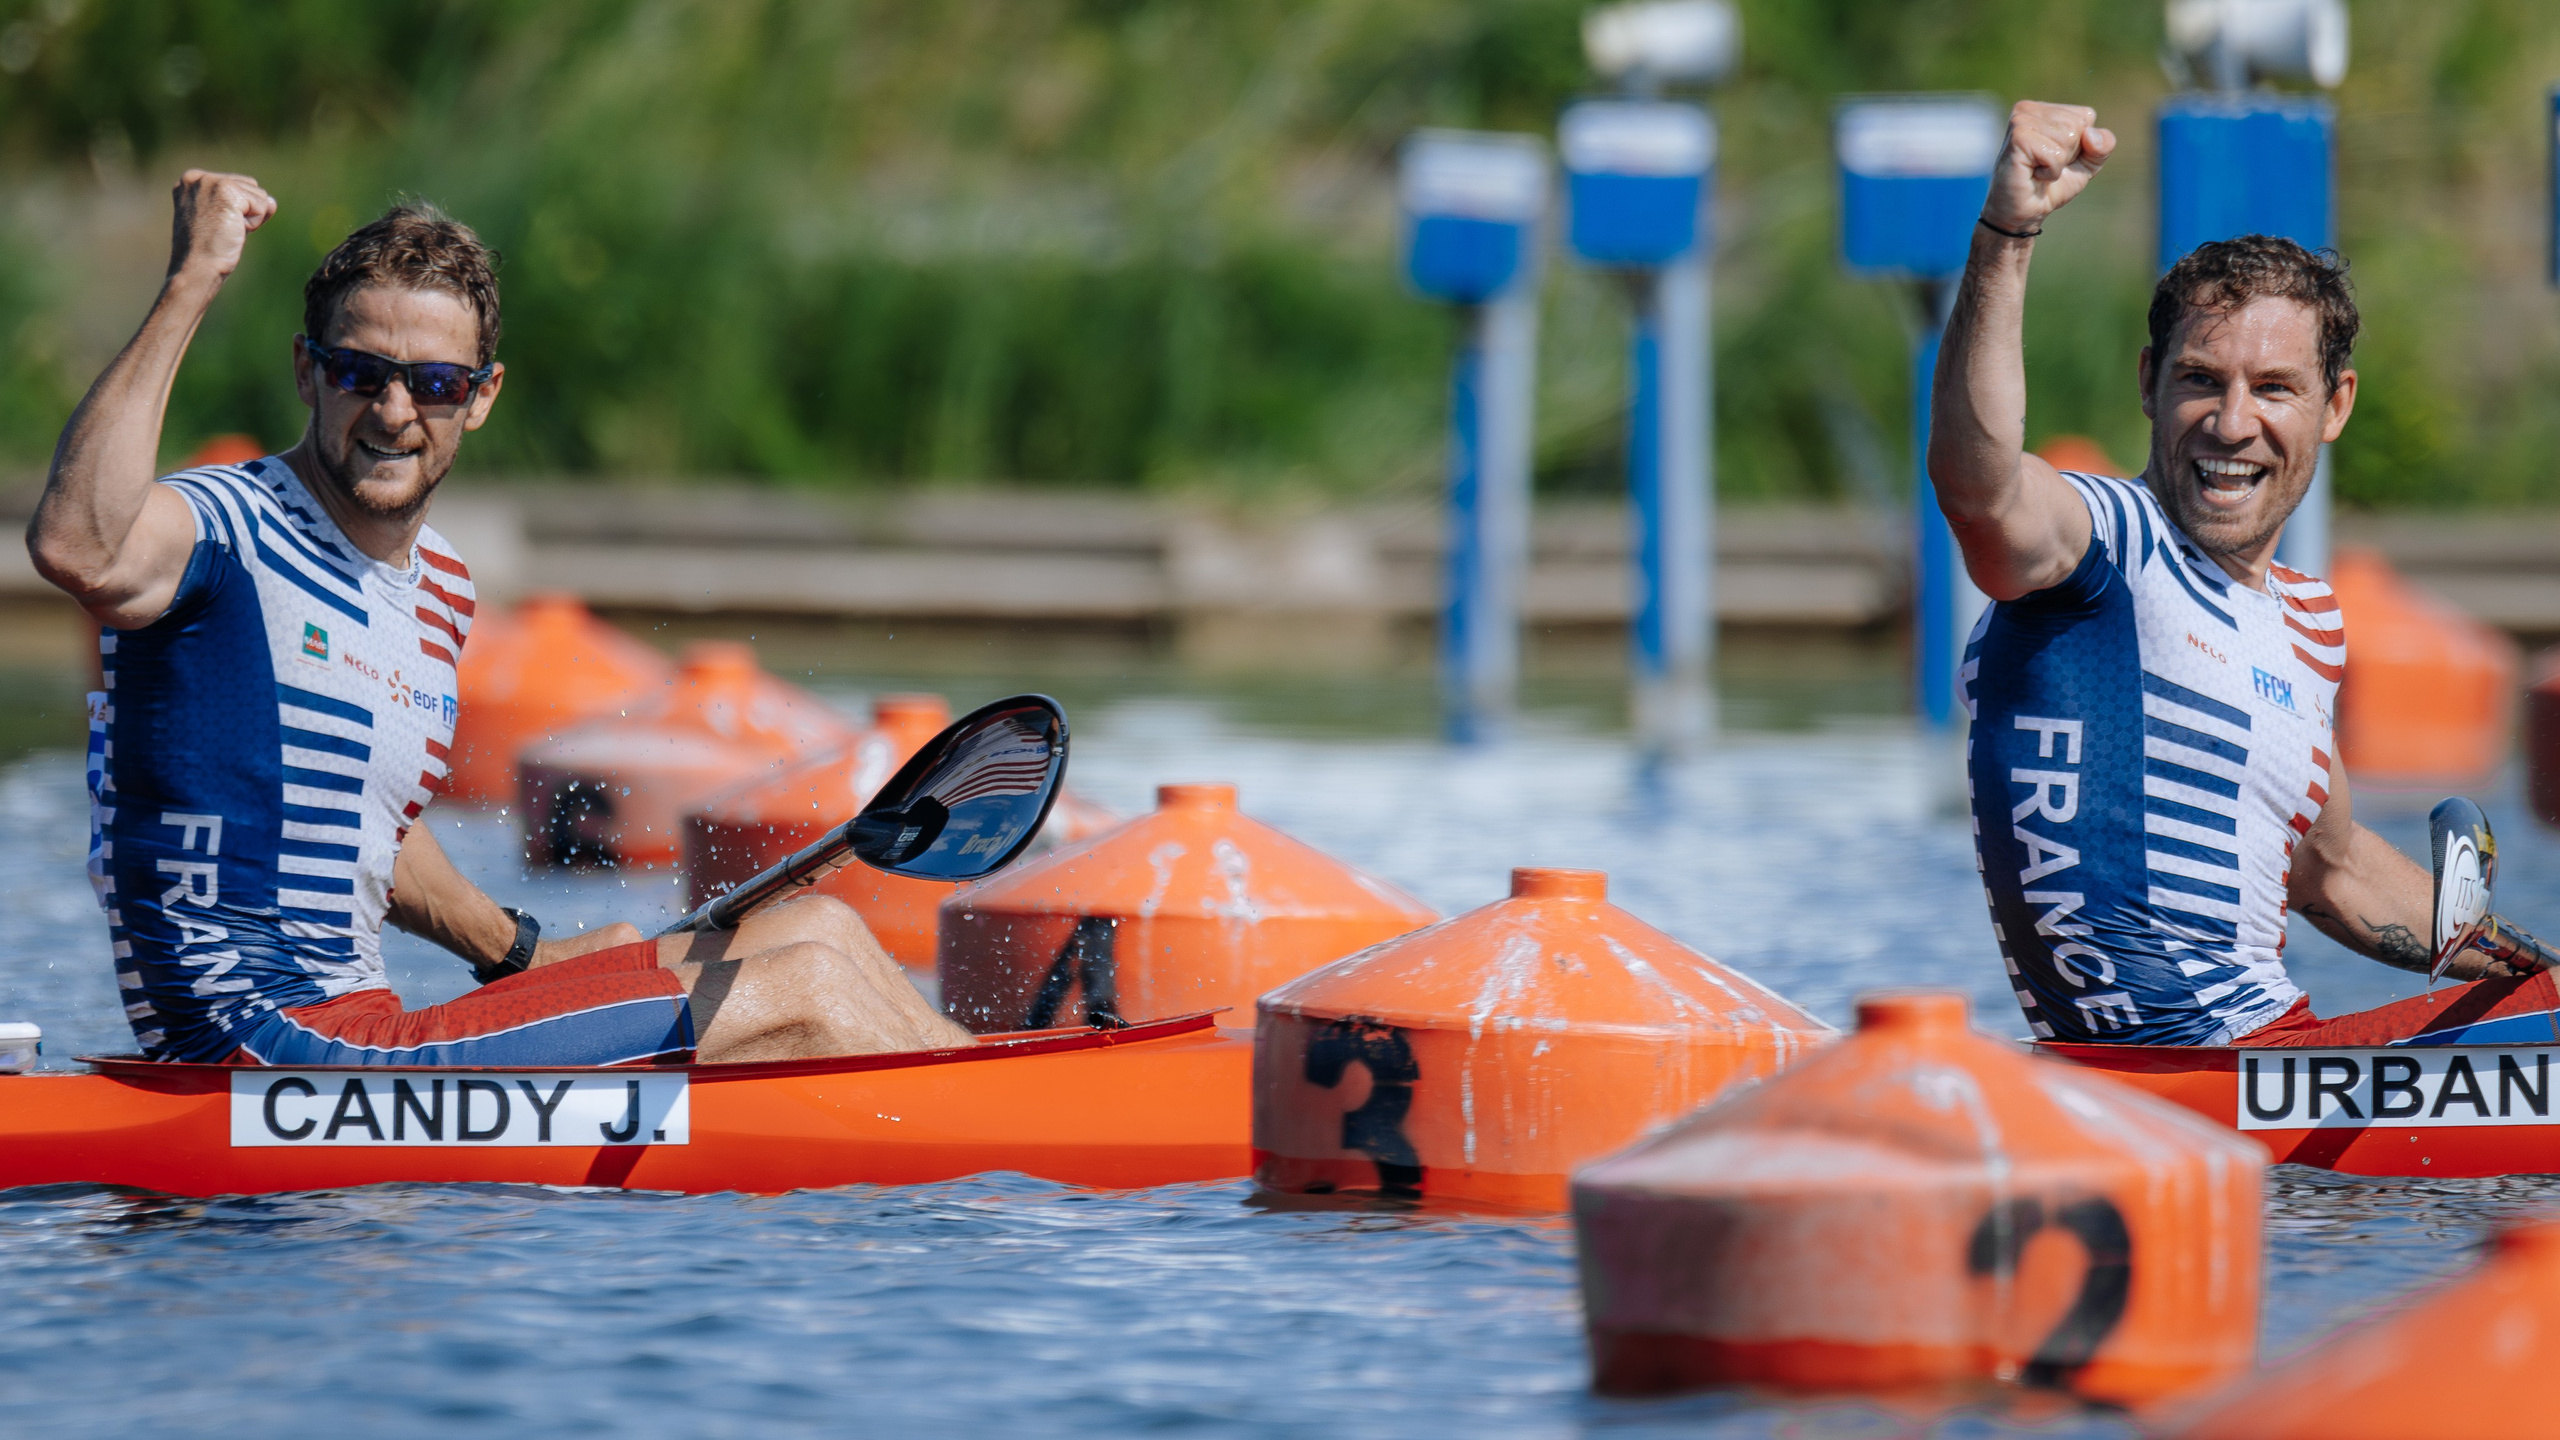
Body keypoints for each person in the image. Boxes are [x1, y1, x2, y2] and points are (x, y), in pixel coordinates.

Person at [27, 170, 969, 1066]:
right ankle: (1027, 1165)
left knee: (818, 928)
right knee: (801, 986)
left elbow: (373, 832)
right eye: (360, 372)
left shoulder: (439, 586)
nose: (395, 411)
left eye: (435, 384)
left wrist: (520, 954)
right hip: (256, 1045)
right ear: (307, 374)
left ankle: (1014, 1103)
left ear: (480, 399)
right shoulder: (224, 531)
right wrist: (192, 282)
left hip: (365, 1025)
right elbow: (80, 546)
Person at [1932, 102, 2553, 1048]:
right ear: (2148, 383)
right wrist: (2010, 233)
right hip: (2161, 1085)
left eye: (2273, 389)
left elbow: (2336, 872)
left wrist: (2547, 977)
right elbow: (1980, 492)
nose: (2231, 423)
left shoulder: (2306, 624)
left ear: (2333, 405)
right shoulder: (2100, 546)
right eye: (2199, 380)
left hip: (2269, 1072)